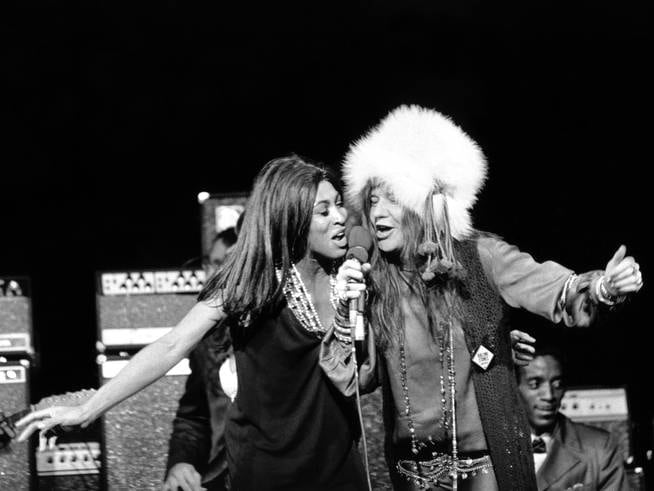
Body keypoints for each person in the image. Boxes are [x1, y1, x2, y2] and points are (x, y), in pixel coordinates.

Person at [17, 155, 373, 491]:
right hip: (268, 470)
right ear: (291, 219)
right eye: (323, 211)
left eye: (339, 204)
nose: (340, 217)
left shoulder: (351, 276)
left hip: (339, 465)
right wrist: (89, 408)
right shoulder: (252, 281)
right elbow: (172, 345)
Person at [340, 105, 643, 490]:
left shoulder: (478, 257)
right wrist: (346, 308)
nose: (377, 212)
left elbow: (553, 287)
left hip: (482, 470)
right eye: (372, 201)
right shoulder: (374, 280)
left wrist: (602, 287)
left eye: (391, 199)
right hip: (407, 473)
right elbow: (358, 377)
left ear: (424, 205)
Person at [164, 226, 240, 491]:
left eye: (226, 264)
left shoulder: (283, 328)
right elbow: (194, 417)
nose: (213, 274)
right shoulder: (207, 338)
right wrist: (181, 463)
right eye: (211, 264)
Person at [516, 342, 629, 490]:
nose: (549, 395)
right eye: (535, 384)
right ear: (514, 387)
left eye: (557, 384)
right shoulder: (490, 445)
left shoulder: (599, 448)